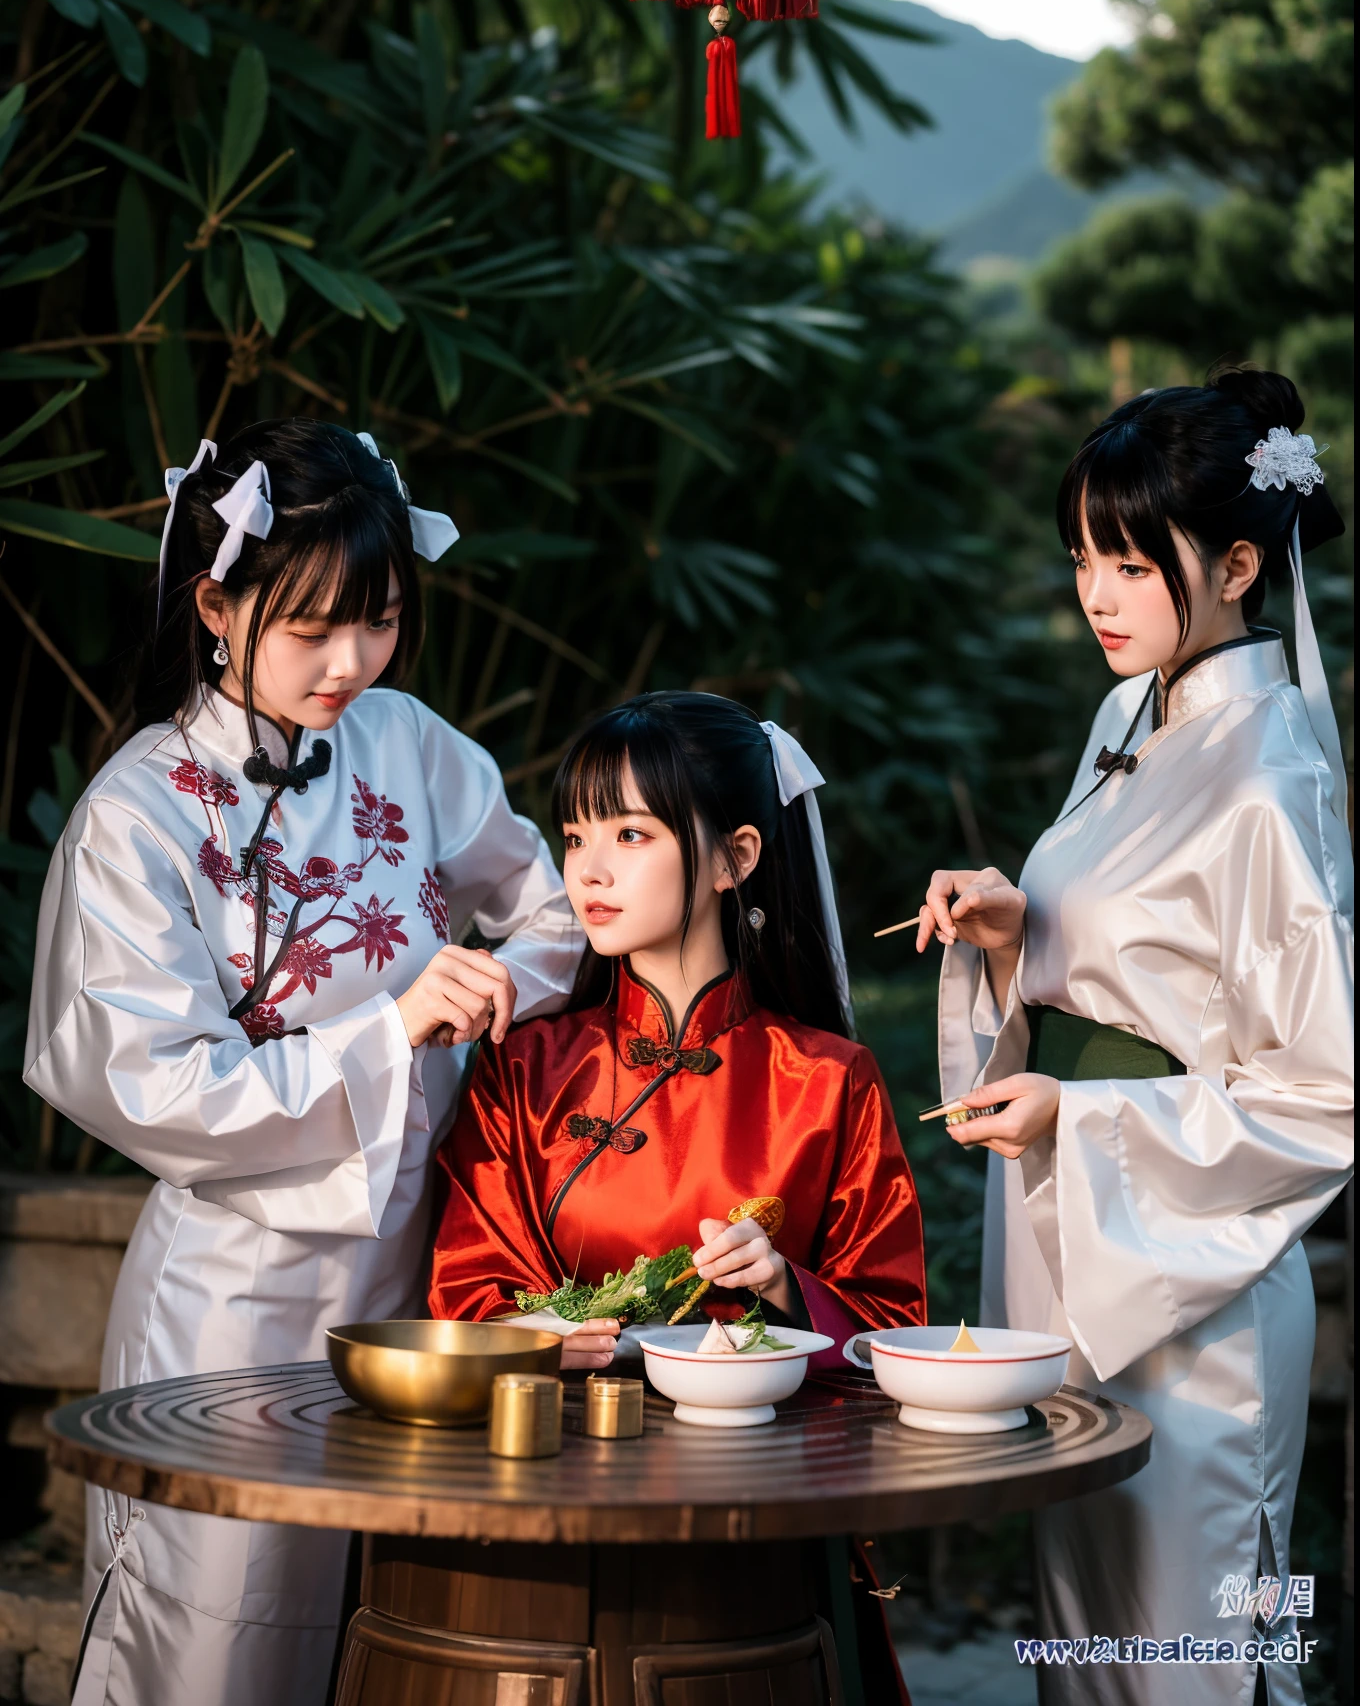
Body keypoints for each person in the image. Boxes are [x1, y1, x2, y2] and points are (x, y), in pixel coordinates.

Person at [24, 420, 583, 1706]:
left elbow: (552, 915)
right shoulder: (140, 810)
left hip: (426, 1273)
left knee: (400, 1631)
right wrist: (391, 1028)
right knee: (218, 1635)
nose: (351, 663)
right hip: (233, 1292)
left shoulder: (410, 743)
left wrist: (500, 984)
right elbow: (159, 1086)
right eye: (312, 627)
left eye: (379, 621)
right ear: (215, 604)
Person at [916, 370, 1353, 1704]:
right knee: (1087, 1625)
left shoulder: (1275, 773)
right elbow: (1120, 959)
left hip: (1192, 1267)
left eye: (1128, 560)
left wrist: (1088, 1116)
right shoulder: (1129, 717)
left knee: (1193, 1642)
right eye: (1081, 559)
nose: (1095, 594)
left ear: (1234, 564)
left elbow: (1325, 1091)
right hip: (1070, 1233)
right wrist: (1009, 925)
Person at [428, 691, 925, 1698]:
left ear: (736, 855)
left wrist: (787, 1288)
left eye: (631, 831)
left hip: (751, 1519)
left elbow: (895, 1328)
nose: (589, 868)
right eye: (575, 834)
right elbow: (464, 1290)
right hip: (548, 1497)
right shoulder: (526, 1066)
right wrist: (536, 1329)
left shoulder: (826, 1079)